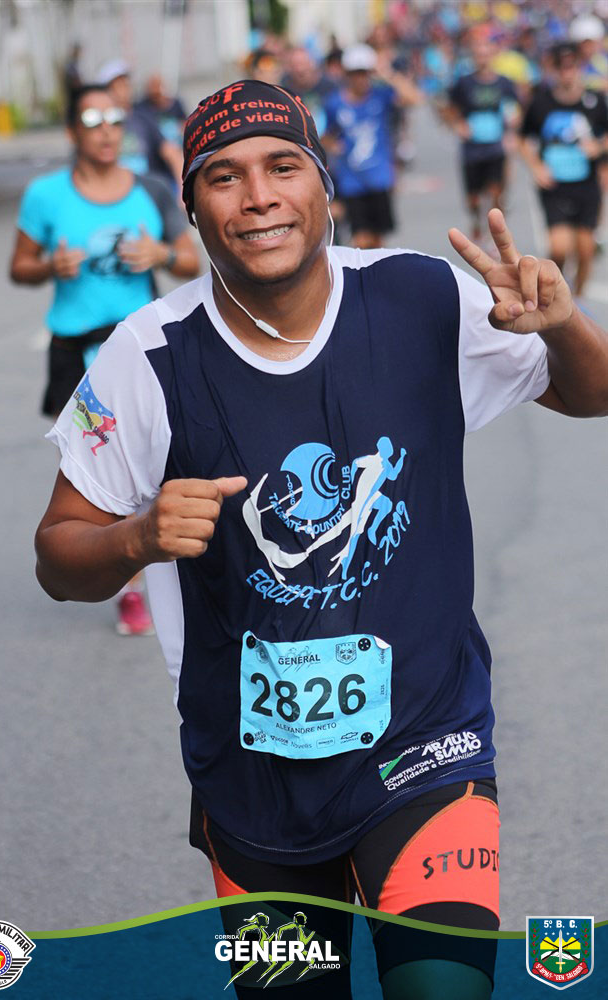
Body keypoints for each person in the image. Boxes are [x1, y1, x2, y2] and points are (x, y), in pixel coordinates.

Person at [34, 79, 608, 998]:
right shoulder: (147, 355)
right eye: (223, 177)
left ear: (323, 184)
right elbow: (59, 555)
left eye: (282, 166)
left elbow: (589, 392)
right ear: (191, 208)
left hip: (426, 746)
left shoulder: (420, 295)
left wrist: (563, 324)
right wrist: (136, 538)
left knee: (444, 987)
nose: (257, 197)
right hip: (251, 784)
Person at [11, 83, 199, 634]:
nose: (106, 131)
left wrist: (160, 254)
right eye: (93, 121)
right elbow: (20, 266)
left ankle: (148, 577)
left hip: (139, 351)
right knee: (93, 476)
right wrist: (50, 267)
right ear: (73, 131)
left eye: (115, 120)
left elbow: (190, 261)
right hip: (74, 350)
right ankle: (124, 581)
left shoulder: (151, 190)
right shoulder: (45, 196)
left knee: (150, 463)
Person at [520, 42, 608, 297]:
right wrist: (536, 167)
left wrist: (598, 147)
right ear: (553, 69)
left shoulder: (595, 101)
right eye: (561, 67)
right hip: (554, 185)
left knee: (585, 250)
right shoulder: (541, 102)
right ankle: (555, 295)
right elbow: (522, 138)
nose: (567, 73)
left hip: (586, 184)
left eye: (572, 66)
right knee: (559, 248)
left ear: (580, 67)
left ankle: (577, 301)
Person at [323, 43, 422, 248]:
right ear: (347, 75)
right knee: (361, 238)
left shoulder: (381, 96)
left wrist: (387, 73)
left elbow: (415, 98)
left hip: (379, 178)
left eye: (365, 73)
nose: (361, 79)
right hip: (351, 181)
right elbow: (325, 136)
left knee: (378, 240)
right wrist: (333, 145)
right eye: (355, 73)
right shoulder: (334, 103)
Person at [445, 27, 520, 243]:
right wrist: (458, 124)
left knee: (496, 192)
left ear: (493, 55)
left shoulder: (504, 83)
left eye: (486, 53)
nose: (483, 58)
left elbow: (515, 108)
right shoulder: (464, 83)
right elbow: (449, 108)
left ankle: (496, 235)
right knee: (474, 199)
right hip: (472, 147)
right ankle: (476, 220)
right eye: (478, 54)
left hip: (495, 145)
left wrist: (512, 128)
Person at [97, 59, 183, 188]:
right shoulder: (100, 124)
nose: (123, 90)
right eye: (116, 86)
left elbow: (171, 153)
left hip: (145, 189)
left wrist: (182, 188)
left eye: (125, 84)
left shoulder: (143, 118)